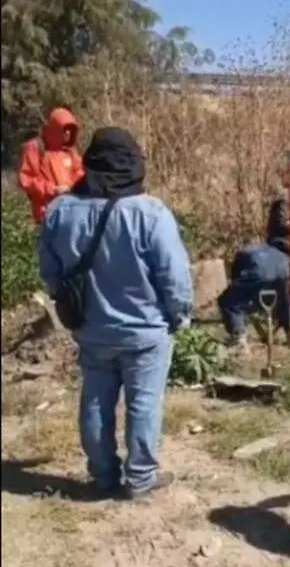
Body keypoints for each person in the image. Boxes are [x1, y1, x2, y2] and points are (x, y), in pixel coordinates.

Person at [38, 127, 193, 501]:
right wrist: (180, 316)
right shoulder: (150, 213)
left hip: (91, 330)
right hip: (146, 332)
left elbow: (50, 272)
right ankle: (140, 479)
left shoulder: (61, 211)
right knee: (143, 403)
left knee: (95, 400)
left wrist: (70, 305)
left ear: (89, 165)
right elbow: (174, 278)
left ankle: (102, 476)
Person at [217, 241, 290, 349]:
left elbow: (236, 279)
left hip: (260, 271)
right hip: (283, 270)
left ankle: (239, 340)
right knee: (284, 301)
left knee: (229, 301)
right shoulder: (272, 250)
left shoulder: (242, 254)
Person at [18, 107, 86, 226]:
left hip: (70, 211)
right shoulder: (35, 147)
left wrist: (71, 188)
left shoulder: (71, 151)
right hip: (46, 214)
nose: (68, 133)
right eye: (64, 129)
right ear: (55, 129)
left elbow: (79, 172)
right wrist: (53, 190)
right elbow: (27, 179)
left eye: (71, 129)